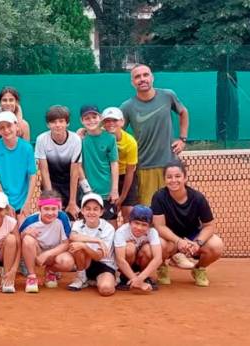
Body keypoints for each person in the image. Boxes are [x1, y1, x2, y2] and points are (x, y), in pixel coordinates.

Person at [120, 64, 189, 206]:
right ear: (132, 82)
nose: (142, 79)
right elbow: (113, 127)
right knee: (148, 212)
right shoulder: (127, 106)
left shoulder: (168, 95)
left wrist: (182, 139)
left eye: (145, 75)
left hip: (169, 166)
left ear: (152, 77)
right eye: (137, 77)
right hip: (144, 167)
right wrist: (85, 131)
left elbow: (183, 112)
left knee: (174, 209)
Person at [151, 161, 224, 287]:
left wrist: (198, 242)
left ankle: (199, 269)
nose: (173, 180)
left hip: (192, 238)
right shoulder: (159, 197)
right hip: (170, 239)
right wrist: (178, 241)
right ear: (164, 179)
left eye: (178, 176)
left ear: (185, 178)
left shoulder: (198, 198)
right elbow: (159, 226)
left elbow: (209, 226)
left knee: (216, 245)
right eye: (169, 177)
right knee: (158, 244)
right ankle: (162, 267)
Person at [19, 190, 74, 294]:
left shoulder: (62, 218)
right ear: (40, 209)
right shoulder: (31, 221)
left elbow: (66, 243)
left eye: (54, 209)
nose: (50, 213)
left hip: (54, 254)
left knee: (68, 263)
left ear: (59, 208)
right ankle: (31, 276)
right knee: (27, 239)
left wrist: (47, 254)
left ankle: (50, 271)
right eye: (46, 209)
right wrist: (25, 233)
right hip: (36, 254)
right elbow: (19, 239)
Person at [34, 105, 82, 217]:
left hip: (70, 185)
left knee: (72, 218)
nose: (58, 125)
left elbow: (74, 173)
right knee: (51, 216)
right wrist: (51, 199)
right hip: (51, 184)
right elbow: (44, 171)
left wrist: (72, 201)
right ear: (48, 124)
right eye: (53, 122)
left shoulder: (75, 139)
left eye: (61, 121)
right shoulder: (41, 139)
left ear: (67, 123)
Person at [0, 111, 37, 221]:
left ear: (17, 125)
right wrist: (5, 203)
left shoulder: (27, 148)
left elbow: (32, 176)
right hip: (2, 203)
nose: (6, 130)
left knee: (25, 234)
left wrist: (28, 203)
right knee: (9, 236)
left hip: (22, 203)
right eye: (1, 128)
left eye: (9, 126)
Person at [67, 193, 117, 296]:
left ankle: (103, 279)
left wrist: (84, 246)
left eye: (95, 209)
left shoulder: (108, 228)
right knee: (77, 245)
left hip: (104, 265)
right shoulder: (78, 224)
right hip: (84, 264)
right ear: (82, 211)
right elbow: (72, 237)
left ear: (101, 212)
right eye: (88, 209)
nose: (91, 212)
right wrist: (97, 240)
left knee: (106, 290)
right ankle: (81, 277)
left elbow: (99, 256)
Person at [79, 105, 119, 227]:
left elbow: (114, 164)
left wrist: (114, 190)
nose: (91, 121)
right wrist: (87, 189)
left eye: (94, 117)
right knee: (87, 225)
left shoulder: (110, 138)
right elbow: (78, 165)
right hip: (87, 191)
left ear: (100, 117)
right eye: (87, 118)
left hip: (106, 190)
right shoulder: (80, 139)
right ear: (82, 121)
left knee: (112, 224)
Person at [101, 107, 139, 223]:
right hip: (107, 177)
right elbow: (86, 130)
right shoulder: (99, 136)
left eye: (115, 120)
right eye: (107, 121)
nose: (111, 123)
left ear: (122, 122)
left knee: (128, 212)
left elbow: (130, 172)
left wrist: (122, 198)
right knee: (109, 215)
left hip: (126, 177)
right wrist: (81, 131)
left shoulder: (130, 142)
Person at [114, 205, 162, 293]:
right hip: (127, 264)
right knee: (130, 248)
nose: (139, 228)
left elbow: (158, 258)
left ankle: (144, 276)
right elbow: (120, 260)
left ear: (149, 225)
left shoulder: (152, 232)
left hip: (141, 263)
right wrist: (137, 281)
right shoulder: (121, 231)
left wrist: (140, 279)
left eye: (144, 225)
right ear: (130, 222)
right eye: (136, 223)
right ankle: (124, 277)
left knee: (148, 249)